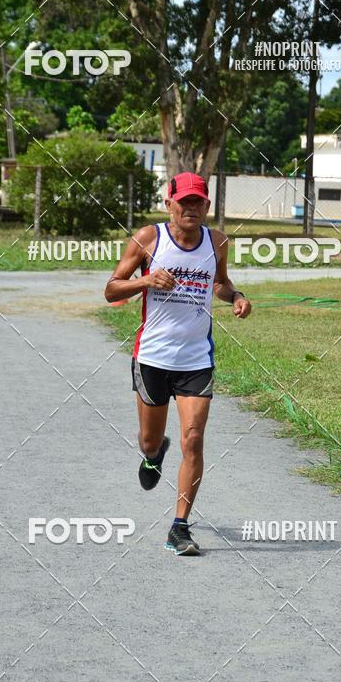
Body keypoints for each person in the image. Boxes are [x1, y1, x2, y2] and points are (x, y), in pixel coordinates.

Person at [104, 171, 251, 555]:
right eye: (183, 201)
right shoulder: (148, 239)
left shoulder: (217, 241)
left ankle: (179, 527)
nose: (191, 208)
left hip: (195, 358)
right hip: (152, 355)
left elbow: (219, 282)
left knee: (195, 439)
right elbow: (111, 288)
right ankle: (154, 454)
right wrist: (146, 281)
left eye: (198, 202)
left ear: (206, 205)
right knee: (150, 441)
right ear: (169, 203)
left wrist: (235, 296)